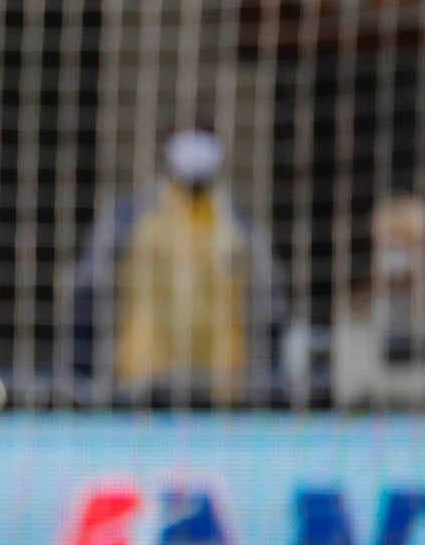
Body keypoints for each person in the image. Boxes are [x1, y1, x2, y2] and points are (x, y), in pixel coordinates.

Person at [72, 128, 286, 404]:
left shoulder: (240, 227)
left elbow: (272, 307)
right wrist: (83, 372)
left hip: (223, 385)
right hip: (143, 379)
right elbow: (87, 289)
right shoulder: (129, 219)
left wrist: (270, 376)